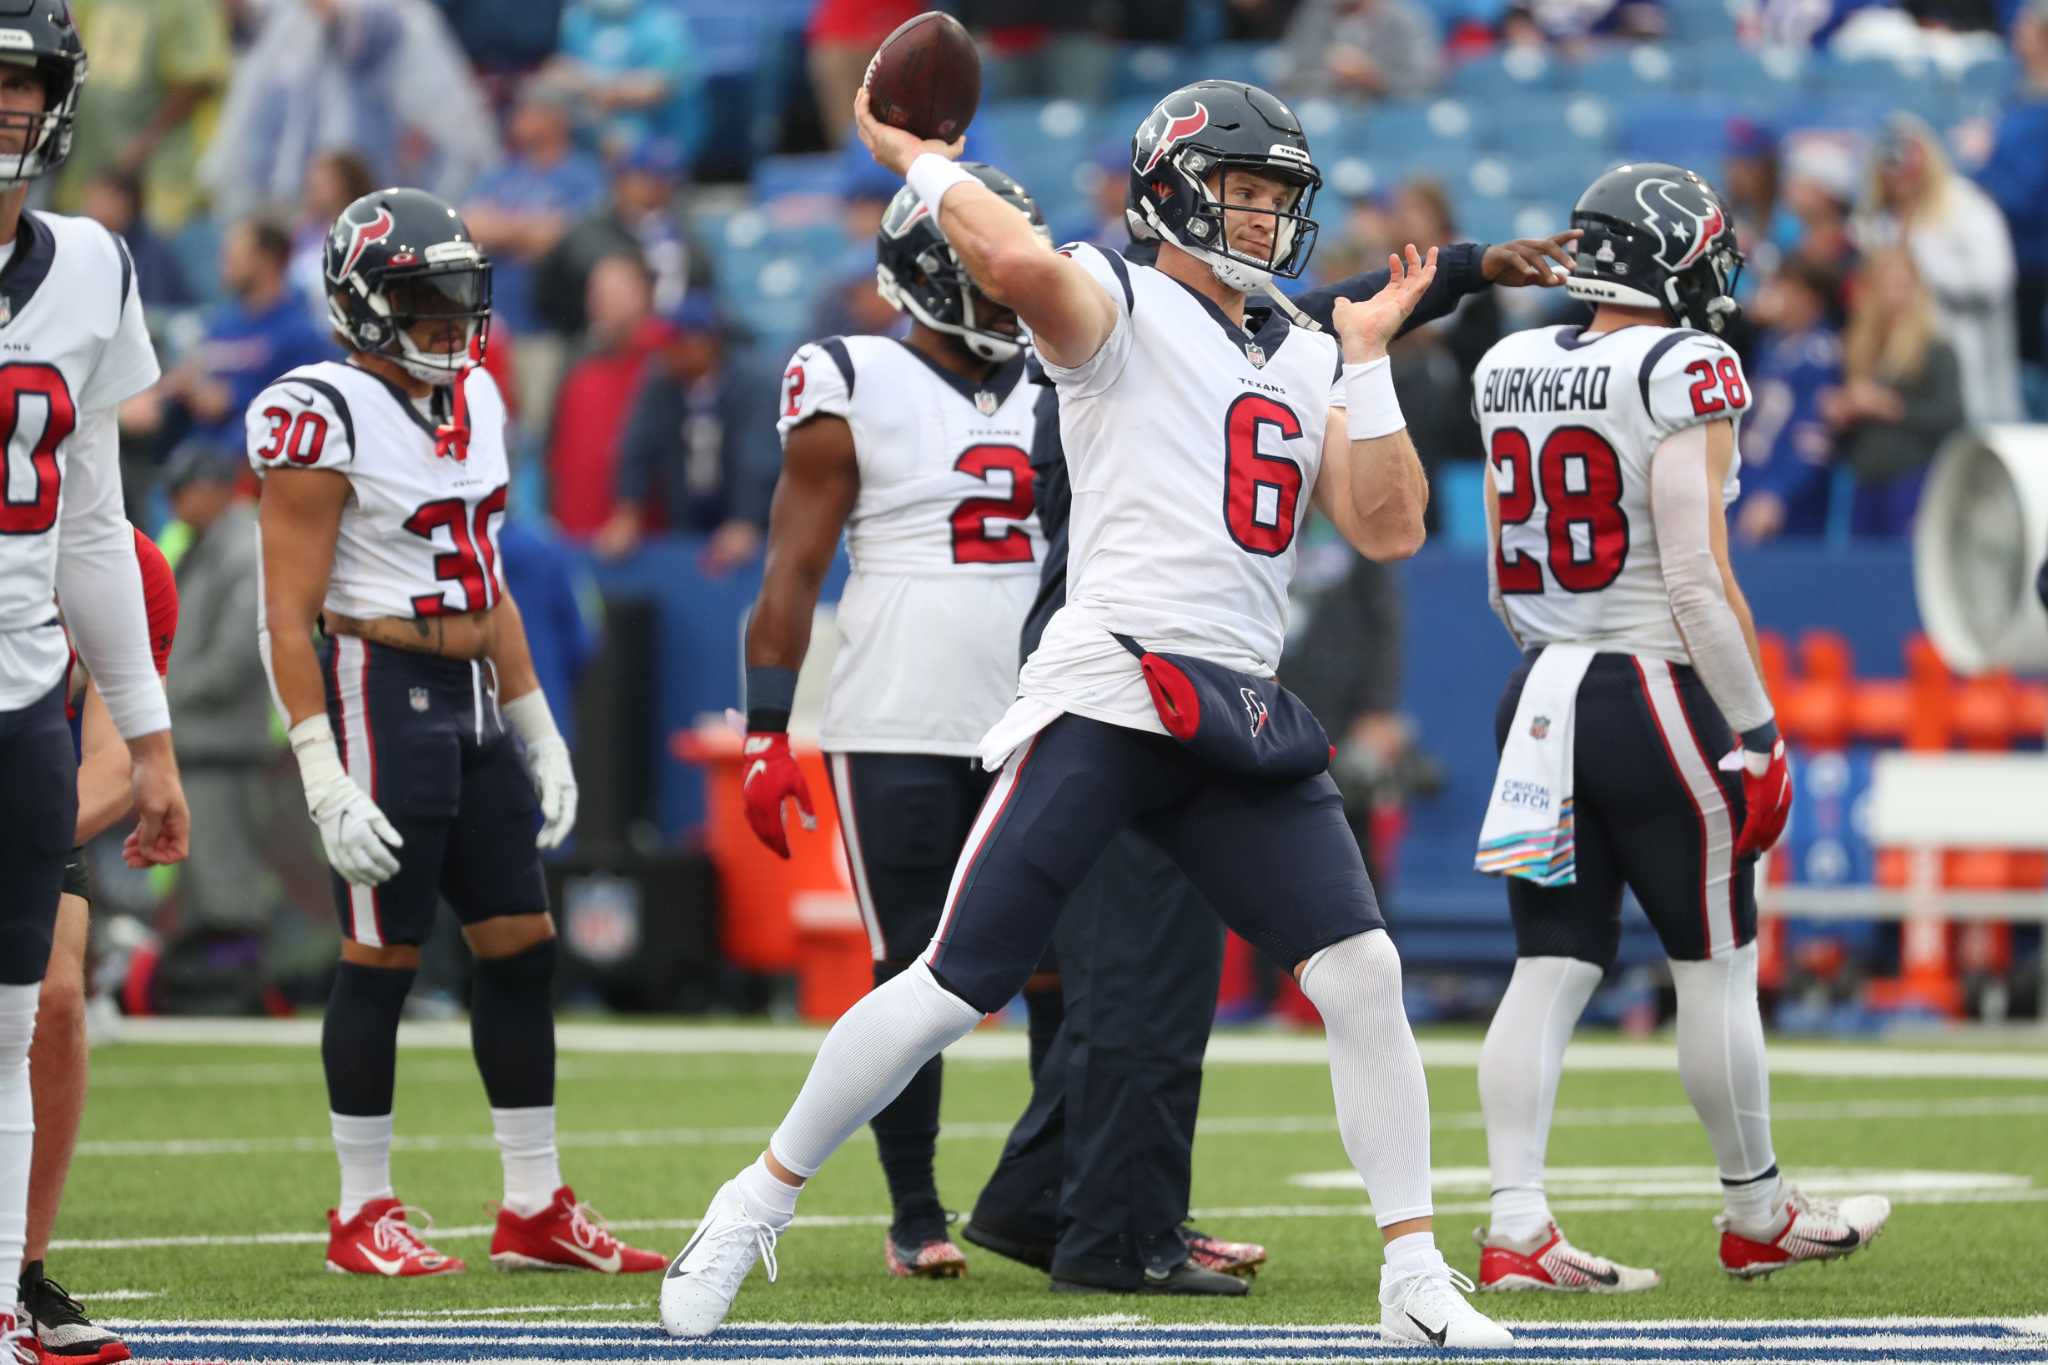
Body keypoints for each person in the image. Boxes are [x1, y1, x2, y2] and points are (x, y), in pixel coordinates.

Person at [662, 79, 1514, 1350]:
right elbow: (1009, 261)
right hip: (1111, 688)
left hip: (1233, 705)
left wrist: (1372, 359)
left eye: (1281, 193)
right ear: (1168, 185)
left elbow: (1388, 528)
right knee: (953, 984)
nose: (1264, 212)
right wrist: (915, 155)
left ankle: (1410, 1273)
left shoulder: (1293, 341)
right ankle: (753, 1201)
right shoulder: (1116, 299)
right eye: (1242, 185)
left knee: (1363, 971)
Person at [965, 226, 1580, 1294]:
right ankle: (1117, 1233)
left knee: (1132, 971)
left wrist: (1467, 268)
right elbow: (1280, 326)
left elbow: (1319, 318)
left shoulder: (1166, 330)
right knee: (1140, 979)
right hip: (1124, 681)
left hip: (1161, 680)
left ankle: (1044, 1201)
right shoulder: (1116, 331)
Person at [1468, 163, 1890, 1292]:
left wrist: (1555, 658)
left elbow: (1505, 579)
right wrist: (1754, 726)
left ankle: (1515, 1226)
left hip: (1540, 688)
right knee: (1713, 966)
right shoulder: (1684, 362)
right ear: (1661, 254)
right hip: (1648, 688)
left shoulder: (1507, 360)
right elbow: (1697, 579)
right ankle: (1755, 1209)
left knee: (1547, 967)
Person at [248, 186, 659, 1279]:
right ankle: (360, 1211)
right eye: (422, 300)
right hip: (374, 680)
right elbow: (283, 613)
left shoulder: (474, 393)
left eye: (457, 300)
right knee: (380, 956)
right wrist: (323, 771)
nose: (446, 322)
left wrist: (537, 726)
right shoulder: (317, 408)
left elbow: (492, 582)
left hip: (471, 687)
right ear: (361, 304)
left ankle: (533, 1207)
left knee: (521, 949)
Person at [737, 162, 1056, 1278]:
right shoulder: (850, 376)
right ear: (928, 272)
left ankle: (1058, 1194)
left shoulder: (1063, 375)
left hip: (1042, 711)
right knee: (912, 969)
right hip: (898, 713)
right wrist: (766, 729)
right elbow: (791, 574)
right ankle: (913, 1209)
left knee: (1068, 963)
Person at [0, 3, 192, 1355]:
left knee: (15, 1019)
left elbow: (90, 524)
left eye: (26, 83)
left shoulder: (90, 264)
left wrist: (151, 737)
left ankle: (2, 1300)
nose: (10, 107)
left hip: (18, 695)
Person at [25, 527, 179, 1365]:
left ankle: (22, 1272)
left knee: (53, 1001)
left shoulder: (129, 561)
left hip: (30, 794)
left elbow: (120, 758)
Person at [160, 443, 279, 937]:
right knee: (207, 875)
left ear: (211, 490)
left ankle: (242, 985)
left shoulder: (243, 546)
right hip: (202, 739)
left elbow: (237, 652)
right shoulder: (203, 543)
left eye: (182, 492)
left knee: (229, 876)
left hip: (225, 742)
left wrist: (171, 692)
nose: (175, 506)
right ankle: (222, 982)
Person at [594, 295, 780, 573]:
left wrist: (746, 520)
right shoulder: (660, 384)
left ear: (705, 344)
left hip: (757, 528)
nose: (667, 353)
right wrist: (628, 512)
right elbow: (636, 448)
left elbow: (758, 458)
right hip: (685, 518)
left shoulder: (754, 385)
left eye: (676, 345)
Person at [1822, 247, 1965, 537]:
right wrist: (1842, 410)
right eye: (1885, 286)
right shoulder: (1858, 349)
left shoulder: (1935, 348)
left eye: (1902, 286)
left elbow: (1952, 416)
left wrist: (1889, 406)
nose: (1894, 296)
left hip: (1913, 475)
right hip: (1863, 477)